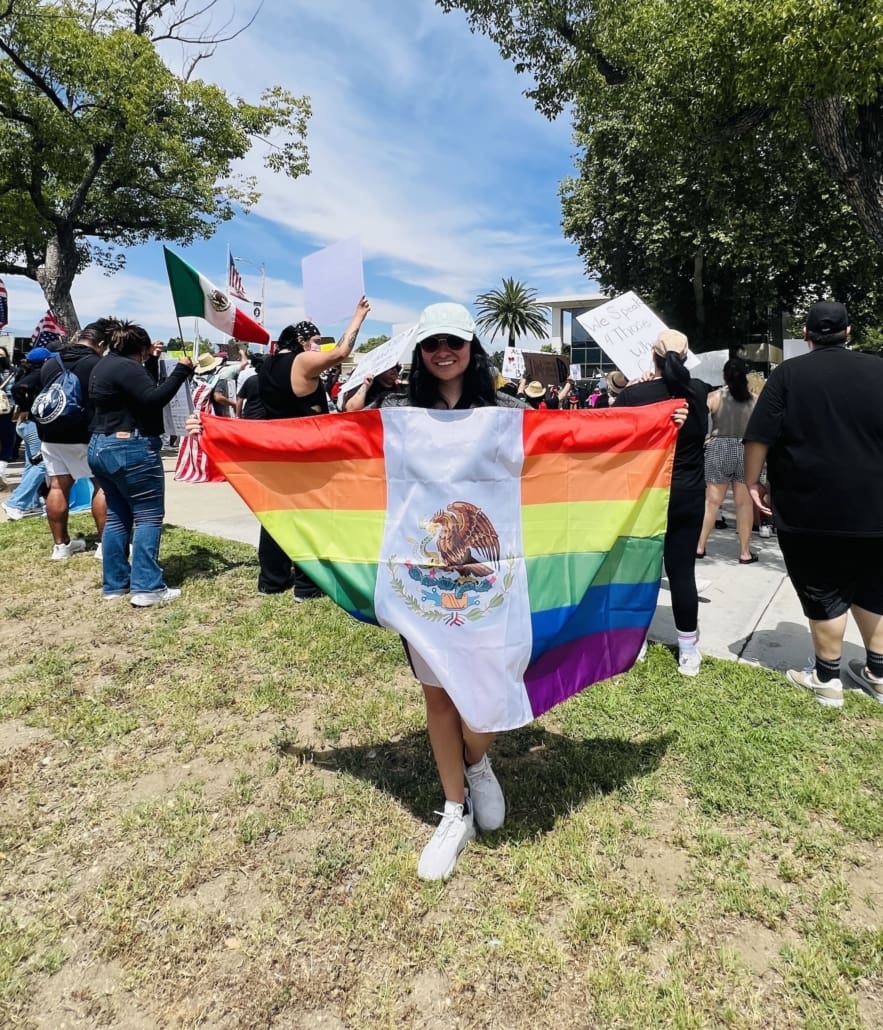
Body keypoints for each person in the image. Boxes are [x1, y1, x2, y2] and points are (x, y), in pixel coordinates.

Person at [380, 302, 526, 882]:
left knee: (487, 690)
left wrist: (657, 424)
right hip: (423, 583)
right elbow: (319, 438)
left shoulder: (506, 410)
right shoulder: (395, 412)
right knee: (439, 696)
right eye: (432, 343)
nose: (444, 352)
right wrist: (219, 431)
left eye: (455, 342)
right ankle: (453, 809)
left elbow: (573, 445)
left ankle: (478, 758)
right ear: (419, 352)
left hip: (495, 583)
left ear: (472, 348)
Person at [743, 301, 883, 708]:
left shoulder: (788, 374)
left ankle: (827, 679)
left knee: (821, 587)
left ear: (806, 336)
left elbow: (759, 438)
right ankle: (877, 672)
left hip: (808, 504)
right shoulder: (879, 370)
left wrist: (752, 483)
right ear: (849, 332)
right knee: (875, 587)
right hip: (876, 505)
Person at [247, 302, 370, 597]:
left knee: (276, 515)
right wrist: (358, 317)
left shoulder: (267, 367)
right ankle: (306, 584)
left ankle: (271, 581)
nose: (319, 348)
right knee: (309, 516)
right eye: (316, 341)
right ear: (301, 342)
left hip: (277, 448)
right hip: (305, 449)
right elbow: (341, 353)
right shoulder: (301, 362)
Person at [614, 330, 710, 676]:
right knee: (682, 572)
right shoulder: (698, 392)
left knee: (639, 570)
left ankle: (635, 641)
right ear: (685, 358)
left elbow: (609, 434)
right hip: (688, 494)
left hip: (644, 496)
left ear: (652, 357)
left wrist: (629, 390)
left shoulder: (634, 395)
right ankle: (688, 650)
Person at [88, 320, 194, 605]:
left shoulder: (106, 365)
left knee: (118, 516)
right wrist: (182, 371)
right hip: (131, 447)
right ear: (142, 349)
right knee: (148, 516)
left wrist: (152, 361)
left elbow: (133, 393)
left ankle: (115, 584)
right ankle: (147, 587)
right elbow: (152, 398)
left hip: (101, 445)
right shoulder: (128, 367)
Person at [35, 321, 111, 560]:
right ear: (100, 344)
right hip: (85, 433)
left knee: (57, 486)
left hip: (50, 433)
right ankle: (104, 545)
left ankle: (61, 546)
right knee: (103, 485)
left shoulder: (50, 362)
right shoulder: (97, 364)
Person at [696, 358, 758, 564]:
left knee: (711, 502)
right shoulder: (755, 400)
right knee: (744, 503)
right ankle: (745, 552)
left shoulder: (714, 397)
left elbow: (700, 424)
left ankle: (699, 546)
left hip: (718, 448)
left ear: (724, 376)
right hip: (746, 450)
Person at [2, 347, 53, 520]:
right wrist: (24, 407)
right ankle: (15, 503)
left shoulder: (26, 371)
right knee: (43, 463)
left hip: (25, 425)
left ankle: (29, 503)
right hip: (32, 424)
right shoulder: (38, 373)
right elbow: (18, 388)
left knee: (32, 464)